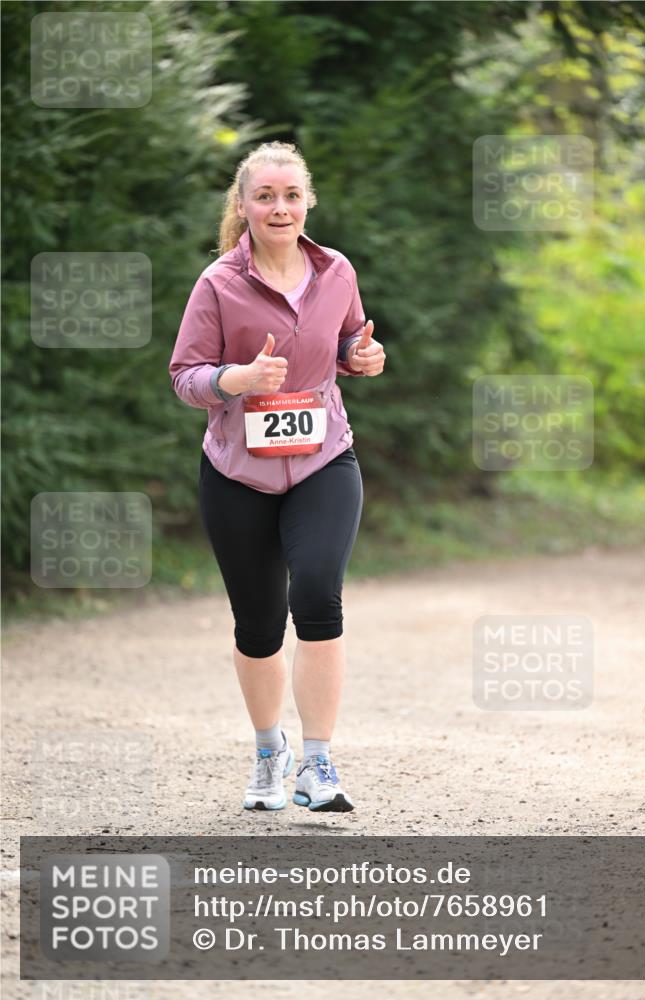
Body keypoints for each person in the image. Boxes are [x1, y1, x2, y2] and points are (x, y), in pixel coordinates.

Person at [169, 140, 385, 812]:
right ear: (243, 206)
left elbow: (347, 341)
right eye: (265, 196)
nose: (280, 207)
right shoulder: (218, 284)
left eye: (291, 195)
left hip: (323, 460)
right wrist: (238, 379)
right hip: (237, 473)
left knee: (317, 596)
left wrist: (361, 355)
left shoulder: (336, 271)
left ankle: (318, 764)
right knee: (259, 625)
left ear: (307, 202)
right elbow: (185, 376)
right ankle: (270, 753)